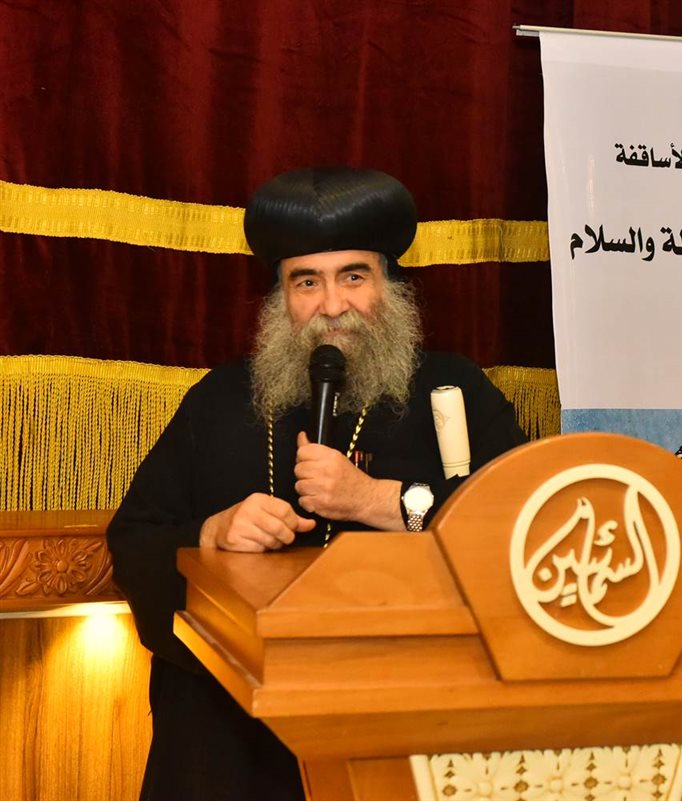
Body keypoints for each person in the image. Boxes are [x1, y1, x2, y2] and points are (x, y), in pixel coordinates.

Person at [107, 167, 528, 801]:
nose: (332, 306)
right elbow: (135, 541)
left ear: (389, 285)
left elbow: (523, 526)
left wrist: (379, 500)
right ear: (280, 298)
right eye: (307, 282)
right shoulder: (218, 400)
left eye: (353, 277)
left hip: (403, 725)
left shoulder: (454, 388)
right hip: (233, 738)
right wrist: (212, 534)